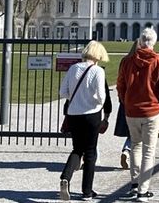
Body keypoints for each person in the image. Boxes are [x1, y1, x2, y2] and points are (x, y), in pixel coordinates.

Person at [117, 27, 159, 202]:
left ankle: (134, 184)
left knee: (135, 146)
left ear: (140, 41)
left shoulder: (127, 62)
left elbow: (120, 86)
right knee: (149, 151)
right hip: (151, 112)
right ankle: (143, 191)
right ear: (153, 43)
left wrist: (126, 103)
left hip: (131, 111)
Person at [58, 41, 112, 201]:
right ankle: (86, 191)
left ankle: (65, 177)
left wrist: (77, 99)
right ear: (98, 55)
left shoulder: (73, 68)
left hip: (74, 114)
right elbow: (102, 96)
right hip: (91, 114)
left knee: (77, 149)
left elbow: (62, 92)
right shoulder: (97, 71)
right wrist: (92, 101)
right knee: (90, 152)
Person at [115, 39, 141, 170]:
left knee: (132, 130)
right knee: (139, 133)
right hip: (141, 102)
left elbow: (120, 82)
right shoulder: (145, 61)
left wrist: (121, 98)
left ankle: (127, 150)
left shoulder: (124, 61)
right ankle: (128, 152)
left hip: (126, 100)